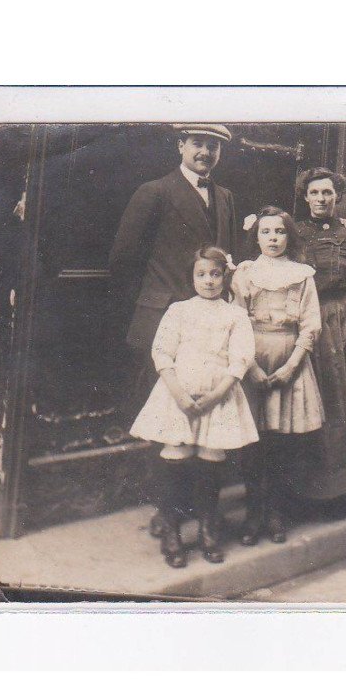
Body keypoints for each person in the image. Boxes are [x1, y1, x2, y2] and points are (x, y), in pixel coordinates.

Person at [110, 123, 240, 536]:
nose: (205, 152)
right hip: (166, 326)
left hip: (212, 332)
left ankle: (202, 514)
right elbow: (123, 260)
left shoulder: (225, 197)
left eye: (213, 146)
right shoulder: (155, 192)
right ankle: (168, 513)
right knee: (169, 421)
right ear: (181, 145)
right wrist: (157, 302)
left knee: (207, 422)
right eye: (198, 143)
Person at [130, 247, 258, 568]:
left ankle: (208, 529)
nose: (209, 281)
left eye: (215, 274)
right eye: (201, 274)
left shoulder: (235, 315)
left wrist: (217, 395)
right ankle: (173, 531)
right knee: (176, 457)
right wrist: (179, 395)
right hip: (179, 395)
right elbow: (162, 353)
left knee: (210, 461)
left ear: (224, 276)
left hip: (218, 394)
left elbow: (240, 358)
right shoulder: (179, 311)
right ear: (192, 277)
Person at [232, 207, 324, 544]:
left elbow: (311, 324)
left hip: (290, 359)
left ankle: (275, 511)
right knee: (253, 443)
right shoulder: (244, 274)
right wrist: (251, 368)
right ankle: (253, 513)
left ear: (289, 236)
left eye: (280, 232)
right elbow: (236, 323)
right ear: (255, 237)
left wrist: (291, 366)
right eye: (266, 232)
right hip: (252, 359)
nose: (273, 238)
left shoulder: (302, 275)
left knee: (282, 443)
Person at [294, 167, 346, 516]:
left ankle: (341, 492)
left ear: (337, 196)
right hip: (306, 321)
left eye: (327, 193)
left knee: (343, 405)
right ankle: (305, 494)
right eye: (314, 193)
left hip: (342, 320)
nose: (321, 199)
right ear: (306, 197)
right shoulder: (294, 233)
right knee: (310, 404)